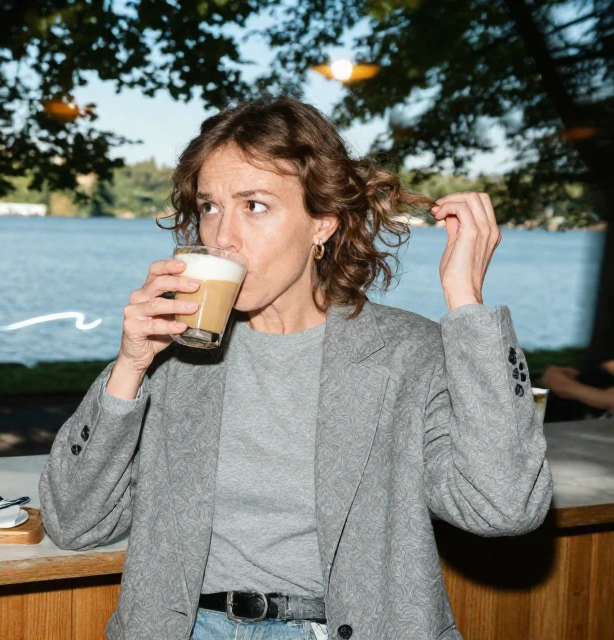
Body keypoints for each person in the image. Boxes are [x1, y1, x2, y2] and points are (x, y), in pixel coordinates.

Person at [38, 97, 552, 640]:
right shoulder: (174, 354)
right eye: (210, 206)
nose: (222, 236)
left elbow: (503, 507)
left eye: (254, 205)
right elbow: (74, 520)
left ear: (322, 224)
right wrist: (129, 365)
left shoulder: (407, 353)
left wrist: (466, 304)